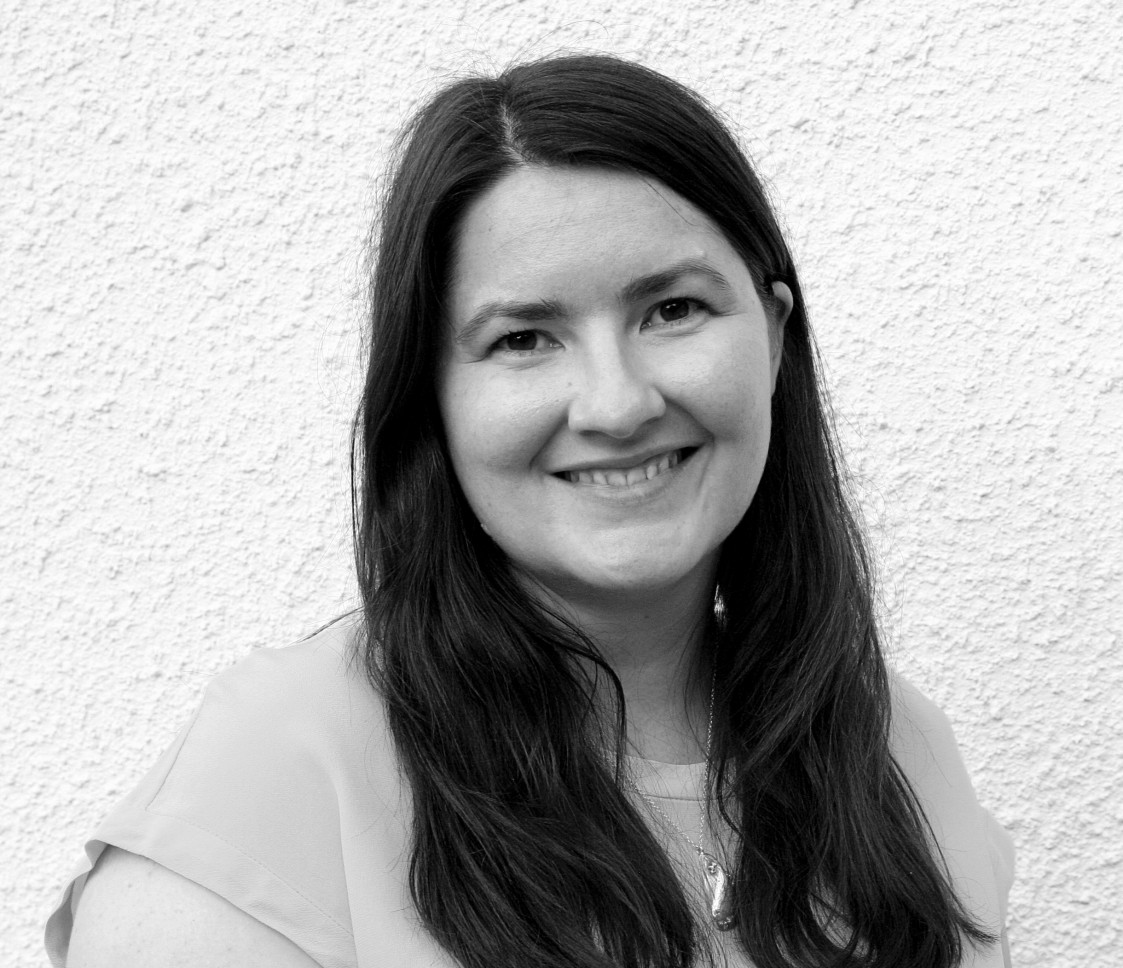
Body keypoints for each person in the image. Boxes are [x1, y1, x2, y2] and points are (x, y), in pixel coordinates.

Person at [47, 54, 1014, 968]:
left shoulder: (896, 751)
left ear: (771, 334)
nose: (617, 403)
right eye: (522, 338)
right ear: (432, 398)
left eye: (671, 310)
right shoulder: (280, 770)